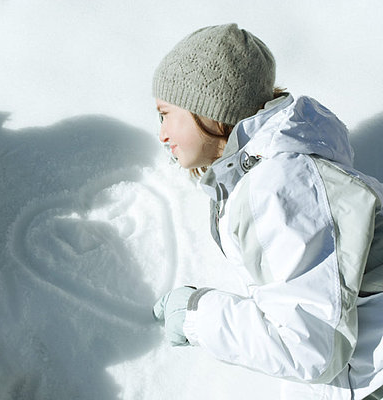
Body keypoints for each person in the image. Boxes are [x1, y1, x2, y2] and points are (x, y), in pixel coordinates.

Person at [151, 24, 383, 400]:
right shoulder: (271, 175)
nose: (161, 134)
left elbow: (310, 349)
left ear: (211, 109)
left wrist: (197, 314)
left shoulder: (279, 183)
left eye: (165, 113)